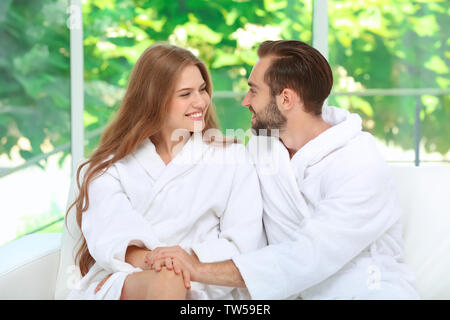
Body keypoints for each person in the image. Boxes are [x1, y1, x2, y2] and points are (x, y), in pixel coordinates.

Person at [146, 40, 421, 300]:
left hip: (367, 291)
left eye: (253, 90)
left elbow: (310, 255)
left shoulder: (359, 161)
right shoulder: (262, 149)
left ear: (286, 99)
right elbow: (203, 202)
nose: (244, 100)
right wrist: (134, 270)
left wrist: (197, 268)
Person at [65, 43, 267, 300]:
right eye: (185, 94)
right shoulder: (110, 168)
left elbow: (244, 243)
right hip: (132, 280)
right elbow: (114, 242)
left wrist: (187, 262)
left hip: (205, 281)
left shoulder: (233, 158)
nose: (200, 102)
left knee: (172, 278)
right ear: (154, 101)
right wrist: (168, 263)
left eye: (202, 89)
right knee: (169, 279)